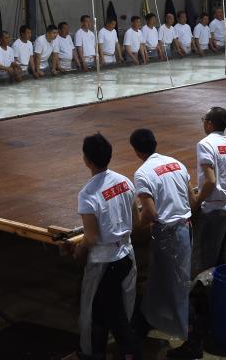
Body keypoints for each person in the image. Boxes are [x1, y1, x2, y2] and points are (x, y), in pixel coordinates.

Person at [73, 133, 142, 360]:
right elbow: (136, 222)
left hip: (104, 262)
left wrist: (79, 249)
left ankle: (119, 353)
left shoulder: (88, 194)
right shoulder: (124, 182)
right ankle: (103, 351)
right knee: (112, 309)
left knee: (104, 313)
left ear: (86, 160)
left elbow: (91, 237)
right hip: (126, 256)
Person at [129, 128, 194, 343]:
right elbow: (192, 199)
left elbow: (149, 212)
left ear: (136, 151)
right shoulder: (176, 163)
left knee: (176, 286)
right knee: (165, 281)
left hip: (168, 235)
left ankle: (192, 339)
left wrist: (134, 231)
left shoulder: (143, 173)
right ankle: (151, 319)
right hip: (184, 227)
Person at [193, 106, 226, 273]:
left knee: (205, 260)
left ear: (209, 123)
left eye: (203, 120)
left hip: (212, 210)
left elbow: (210, 181)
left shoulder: (205, 144)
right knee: (223, 257)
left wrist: (196, 203)